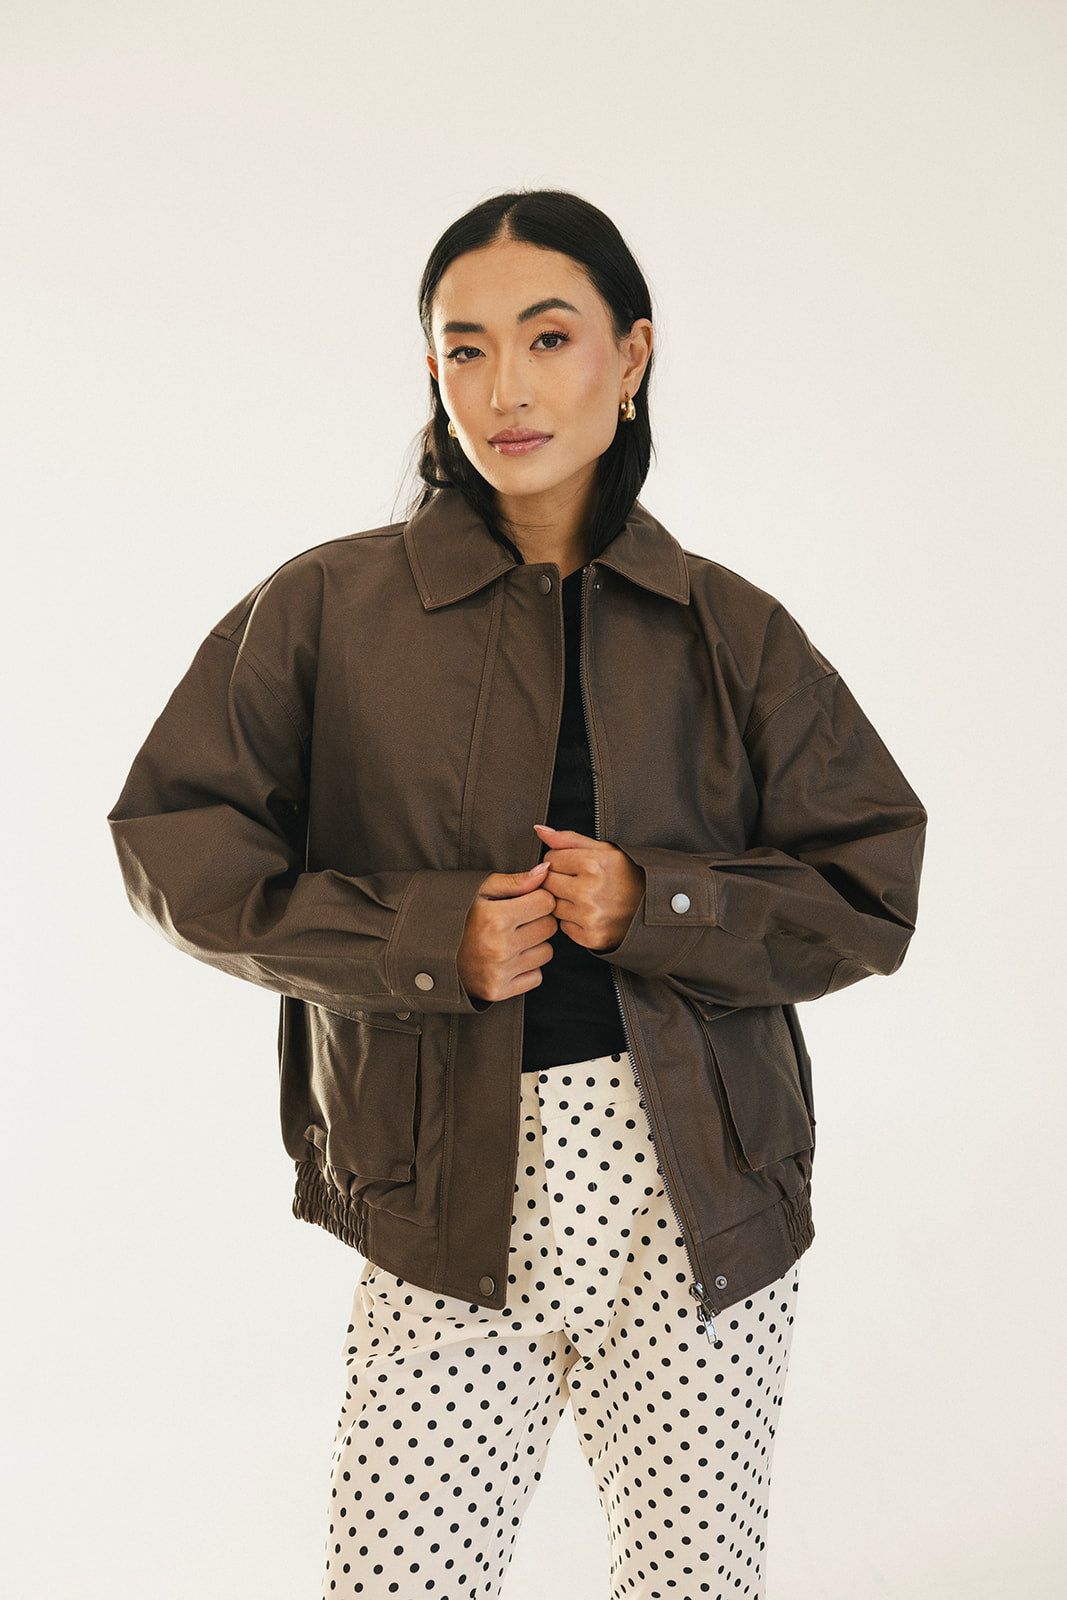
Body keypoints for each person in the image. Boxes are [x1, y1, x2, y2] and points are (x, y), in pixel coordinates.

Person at [109, 189, 926, 1600]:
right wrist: (427, 938)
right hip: (445, 1195)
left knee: (696, 1584)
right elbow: (175, 843)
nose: (506, 390)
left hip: (700, 1199)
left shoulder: (730, 628)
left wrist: (659, 904)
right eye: (466, 348)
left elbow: (871, 880)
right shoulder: (326, 609)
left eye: (549, 338)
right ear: (432, 370)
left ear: (633, 353)